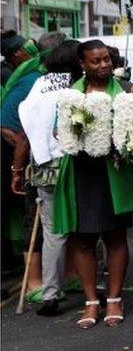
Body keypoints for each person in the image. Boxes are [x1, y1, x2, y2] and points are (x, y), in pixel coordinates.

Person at [52, 40, 133, 328]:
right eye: (96, 61)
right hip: (80, 173)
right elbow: (58, 131)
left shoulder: (125, 92)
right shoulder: (70, 96)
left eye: (106, 60)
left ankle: (114, 298)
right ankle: (91, 302)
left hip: (113, 172)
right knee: (82, 238)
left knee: (115, 236)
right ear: (83, 65)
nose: (103, 66)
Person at [15, 40, 82, 316]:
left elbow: (23, 130)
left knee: (54, 230)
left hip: (44, 166)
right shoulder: (77, 85)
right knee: (83, 226)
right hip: (74, 164)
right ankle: (86, 283)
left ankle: (51, 292)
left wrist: (17, 170)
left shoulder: (38, 86)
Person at [1, 34, 45, 278]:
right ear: (17, 54)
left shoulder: (31, 75)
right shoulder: (25, 79)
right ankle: (33, 280)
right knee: (30, 216)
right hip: (17, 153)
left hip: (20, 153)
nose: (30, 45)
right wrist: (16, 171)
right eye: (23, 44)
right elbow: (19, 135)